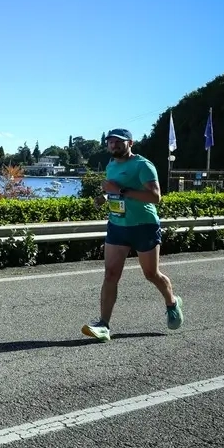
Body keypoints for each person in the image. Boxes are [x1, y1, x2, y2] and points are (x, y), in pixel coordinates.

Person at [82, 128, 183, 341]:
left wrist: (119, 190)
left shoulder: (143, 165)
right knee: (110, 274)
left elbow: (155, 197)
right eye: (110, 142)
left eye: (119, 141)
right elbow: (114, 191)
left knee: (151, 274)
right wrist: (105, 197)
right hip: (118, 224)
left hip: (143, 225)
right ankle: (103, 325)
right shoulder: (111, 165)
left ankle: (172, 302)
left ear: (130, 143)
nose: (113, 145)